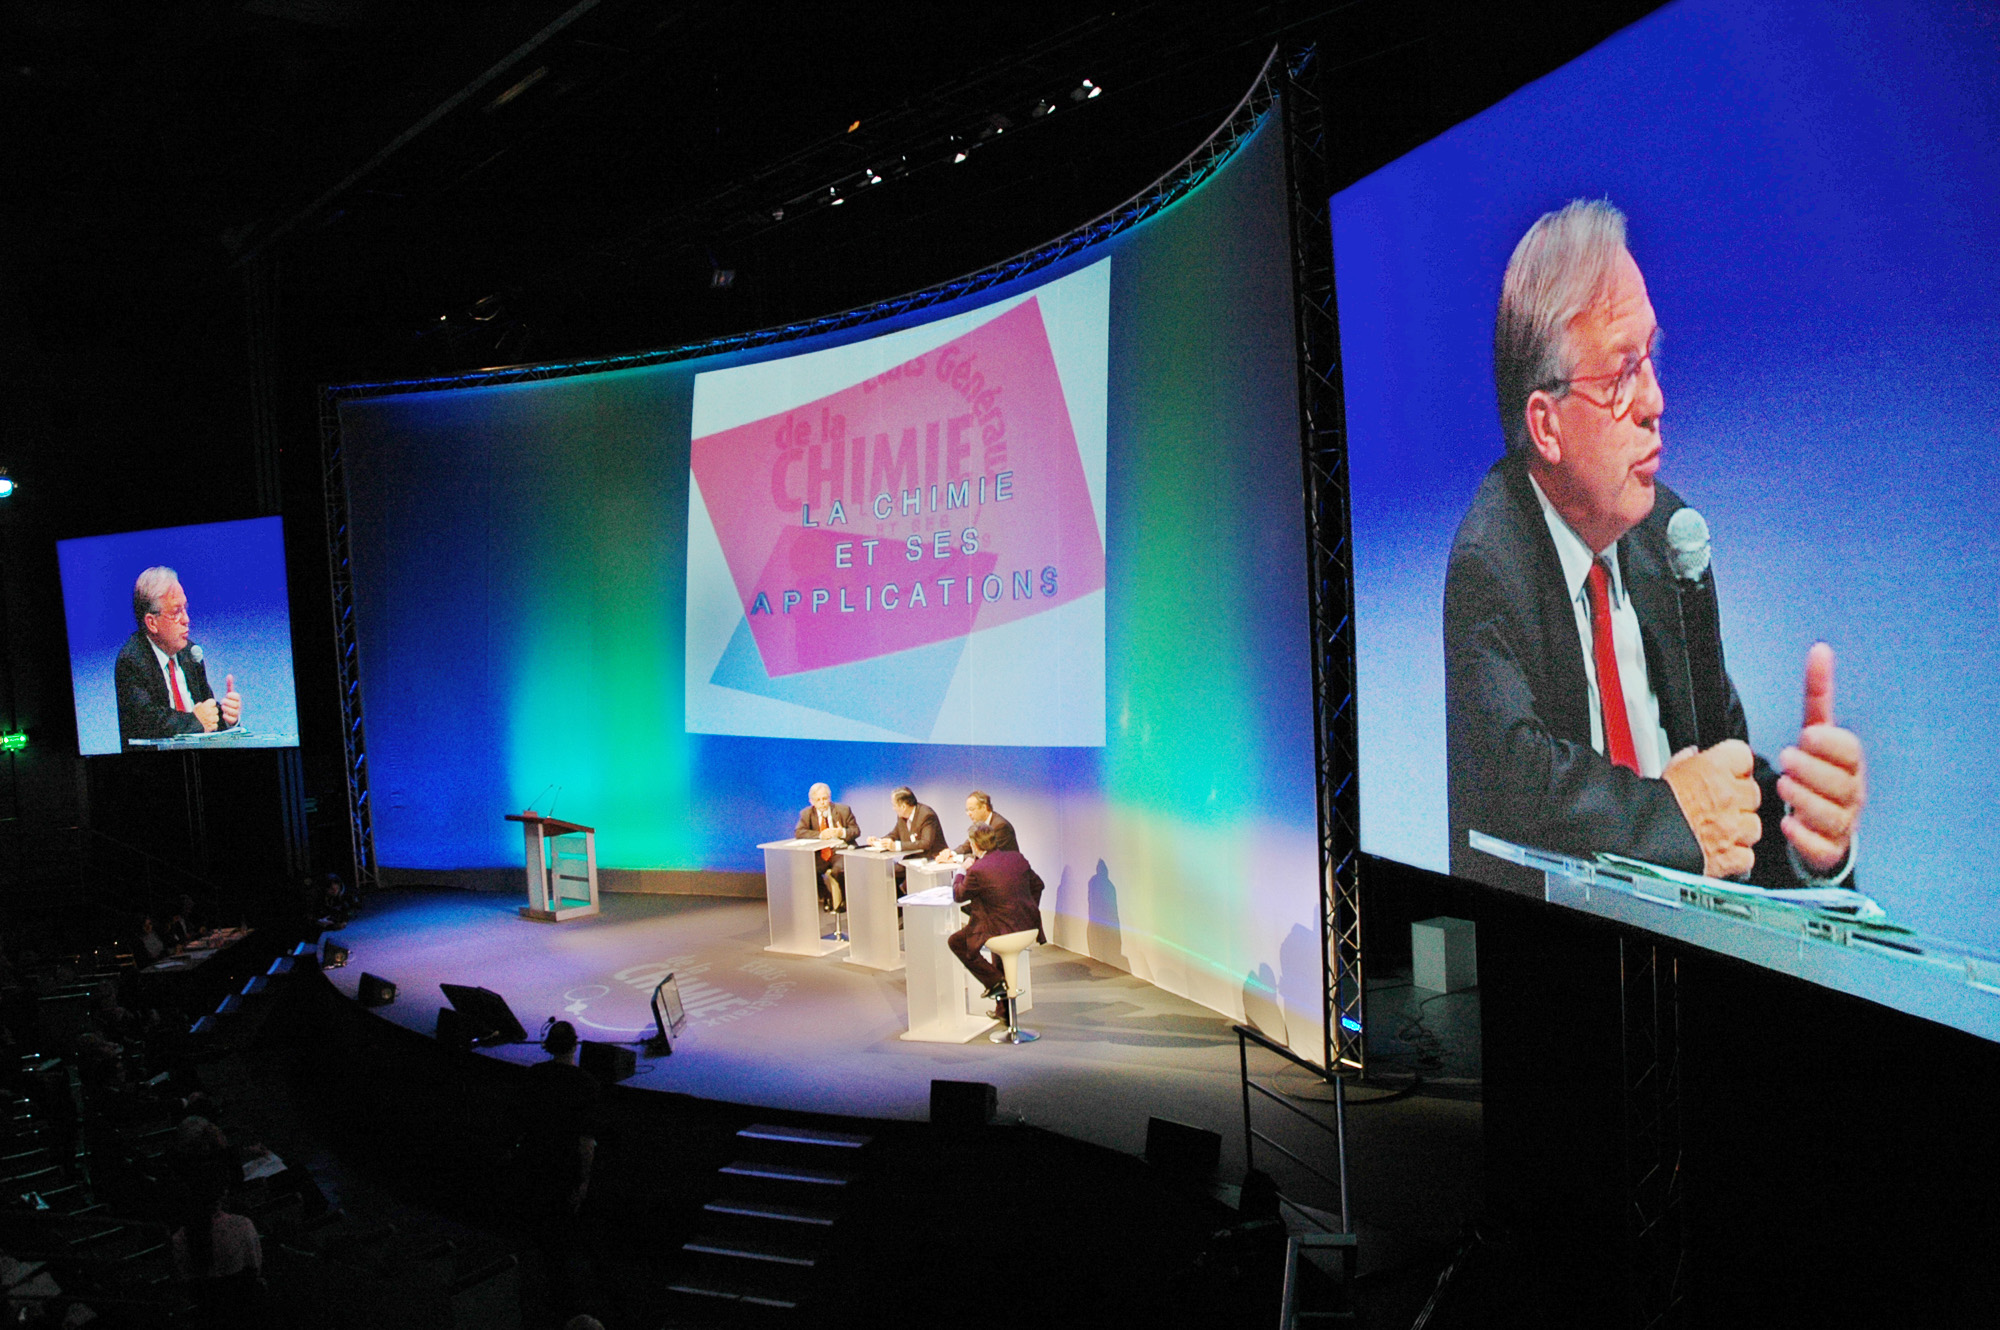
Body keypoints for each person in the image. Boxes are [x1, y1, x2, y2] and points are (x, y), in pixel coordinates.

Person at [1444, 199, 1867, 896]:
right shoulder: (1492, 559)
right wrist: (1672, 816)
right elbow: (1516, 791)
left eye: (1651, 361)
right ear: (1546, 427)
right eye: (1620, 376)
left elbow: (1718, 784)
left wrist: (1808, 840)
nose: (1656, 401)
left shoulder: (1669, 537)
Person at [518, 1020, 601, 1319]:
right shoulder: (585, 1085)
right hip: (563, 1173)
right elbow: (585, 1144)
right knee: (562, 1242)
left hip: (534, 1166)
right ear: (575, 1045)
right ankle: (561, 1305)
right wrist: (584, 1183)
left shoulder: (534, 1076)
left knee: (538, 1237)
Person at [114, 566, 244, 748]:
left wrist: (227, 719)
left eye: (185, 609)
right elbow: (148, 723)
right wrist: (196, 721)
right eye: (176, 612)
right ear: (152, 623)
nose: (186, 619)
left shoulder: (189, 653)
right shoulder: (132, 660)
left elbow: (206, 718)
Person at [948, 825, 1047, 1019]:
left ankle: (995, 982)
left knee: (957, 942)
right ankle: (1004, 1011)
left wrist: (961, 871)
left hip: (999, 930)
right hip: (1027, 928)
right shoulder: (1017, 858)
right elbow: (1039, 885)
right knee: (997, 947)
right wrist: (1028, 910)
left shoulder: (977, 870)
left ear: (975, 845)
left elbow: (958, 895)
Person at [792, 783, 859, 912]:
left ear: (829, 798)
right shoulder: (806, 814)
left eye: (825, 798)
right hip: (821, 853)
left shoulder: (843, 810)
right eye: (818, 800)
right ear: (812, 801)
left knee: (839, 870)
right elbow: (799, 832)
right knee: (807, 870)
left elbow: (856, 831)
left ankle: (845, 900)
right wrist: (820, 835)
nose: (822, 803)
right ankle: (826, 896)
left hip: (840, 850)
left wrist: (841, 832)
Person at [869, 786, 945, 892]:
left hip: (931, 859)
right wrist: (878, 841)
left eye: (894, 805)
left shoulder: (927, 815)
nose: (893, 808)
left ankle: (902, 902)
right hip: (912, 860)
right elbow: (894, 834)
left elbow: (926, 843)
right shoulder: (902, 817)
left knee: (896, 877)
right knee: (886, 873)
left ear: (903, 806)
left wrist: (896, 846)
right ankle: (897, 906)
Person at [939, 790, 1018, 864]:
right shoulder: (980, 824)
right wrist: (952, 854)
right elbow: (970, 844)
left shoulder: (1000, 826)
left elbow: (987, 855)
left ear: (984, 807)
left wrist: (956, 859)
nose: (968, 814)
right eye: (967, 810)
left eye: (972, 809)